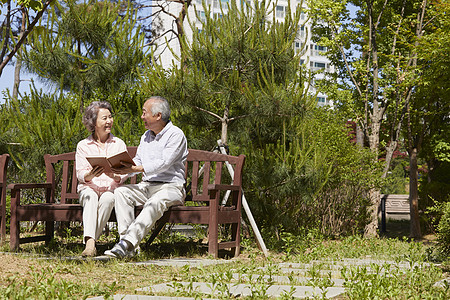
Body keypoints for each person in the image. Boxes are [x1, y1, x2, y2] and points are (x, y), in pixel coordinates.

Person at [104, 96, 188, 258]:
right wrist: (123, 170)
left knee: (154, 202)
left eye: (144, 113)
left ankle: (126, 244)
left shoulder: (176, 135)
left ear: (157, 115)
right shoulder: (146, 136)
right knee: (122, 192)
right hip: (147, 185)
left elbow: (164, 163)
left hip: (171, 187)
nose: (142, 117)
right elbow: (138, 161)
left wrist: (137, 168)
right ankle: (128, 246)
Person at [76, 101, 127, 257]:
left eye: (110, 117)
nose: (109, 121)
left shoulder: (118, 143)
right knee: (90, 196)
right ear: (94, 122)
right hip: (89, 188)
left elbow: (125, 172)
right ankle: (91, 243)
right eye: (104, 118)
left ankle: (90, 243)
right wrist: (91, 174)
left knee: (108, 199)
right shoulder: (83, 145)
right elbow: (80, 174)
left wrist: (115, 175)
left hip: (110, 189)